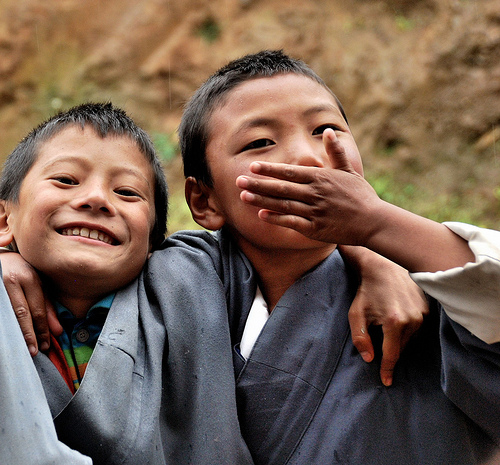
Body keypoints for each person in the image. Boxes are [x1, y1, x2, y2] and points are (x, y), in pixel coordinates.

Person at [176, 50, 500, 464]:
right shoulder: (183, 280)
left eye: (326, 129)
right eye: (260, 142)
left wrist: (376, 228)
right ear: (204, 200)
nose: (308, 156)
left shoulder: (434, 289)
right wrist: (368, 249)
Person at [0, 102, 253, 464]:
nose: (97, 200)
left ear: (153, 242)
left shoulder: (194, 279)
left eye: (128, 193)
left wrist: (364, 251)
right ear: (4, 219)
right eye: (66, 180)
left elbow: (280, 243)